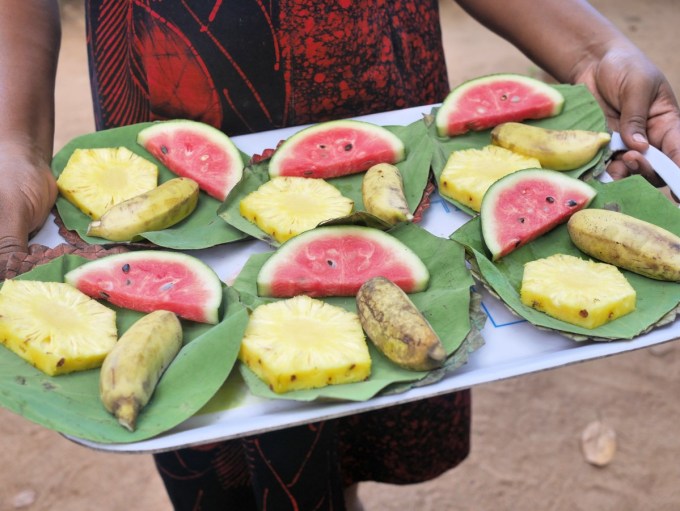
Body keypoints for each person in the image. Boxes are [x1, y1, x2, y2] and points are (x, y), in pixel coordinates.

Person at [1, 1, 679, 510]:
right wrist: (14, 147)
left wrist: (593, 51)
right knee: (235, 451)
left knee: (365, 401)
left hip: (375, 93)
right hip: (174, 98)